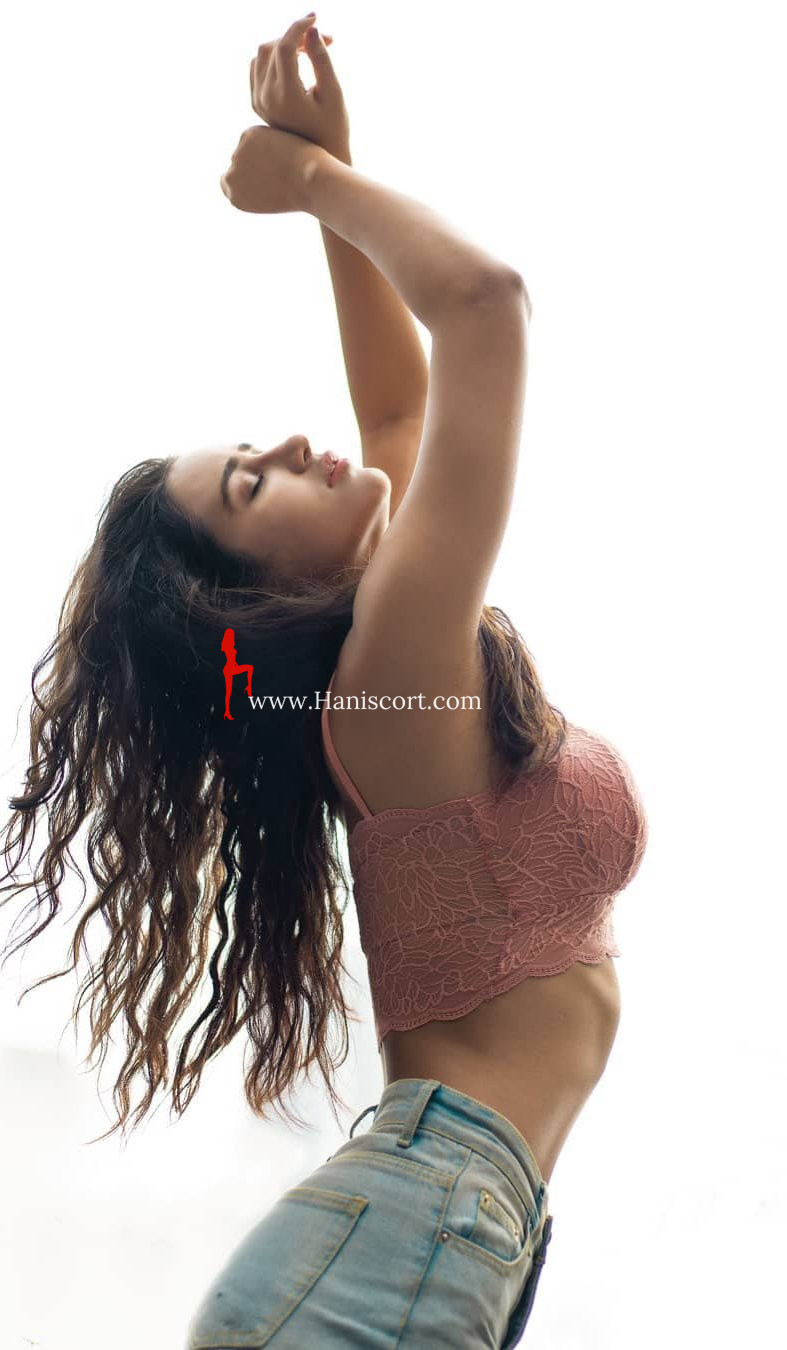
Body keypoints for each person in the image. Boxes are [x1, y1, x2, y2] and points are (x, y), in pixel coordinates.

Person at [0, 13, 649, 1348]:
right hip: (415, 1231)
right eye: (254, 485)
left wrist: (332, 181)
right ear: (253, 597)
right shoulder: (392, 663)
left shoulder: (388, 654)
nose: (296, 444)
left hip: (436, 1229)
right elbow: (485, 307)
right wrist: (306, 181)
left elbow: (402, 416)